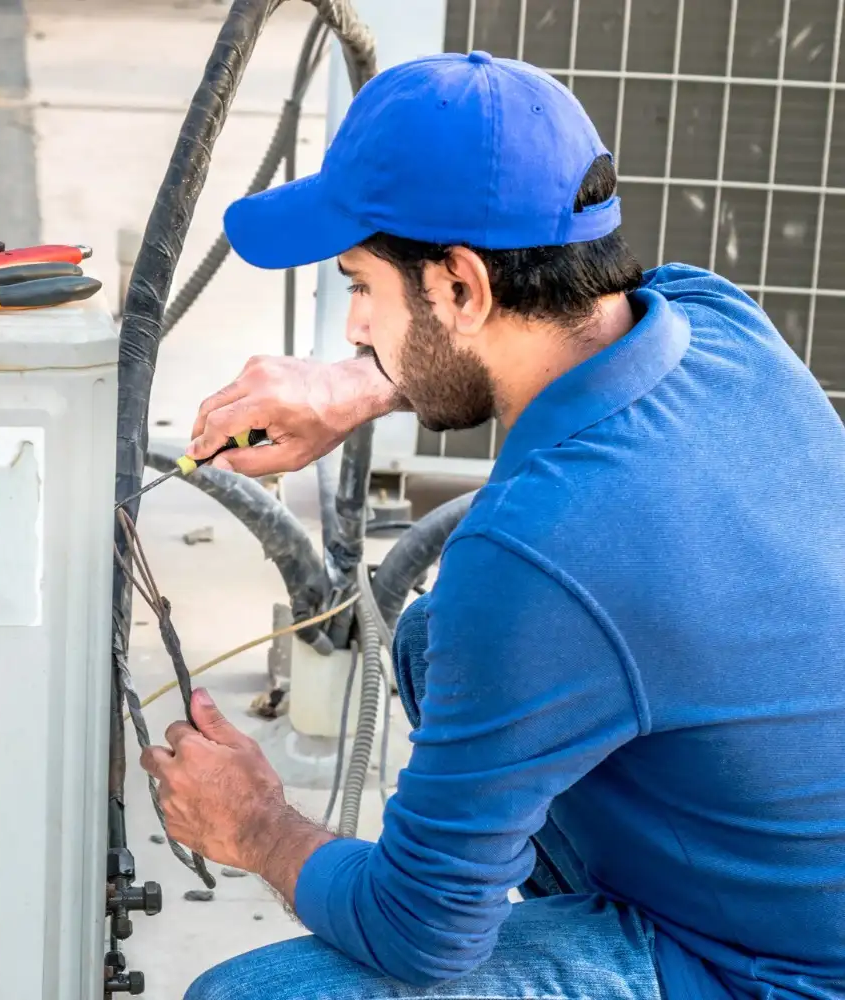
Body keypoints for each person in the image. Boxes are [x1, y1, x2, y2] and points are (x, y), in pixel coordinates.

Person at [140, 49, 845, 1000]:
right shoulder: (714, 322)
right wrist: (356, 389)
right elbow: (543, 343)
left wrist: (259, 826)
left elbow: (419, 934)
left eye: (360, 286)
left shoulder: (538, 551)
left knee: (248, 998)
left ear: (461, 287)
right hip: (787, 867)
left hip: (776, 972)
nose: (353, 327)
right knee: (435, 640)